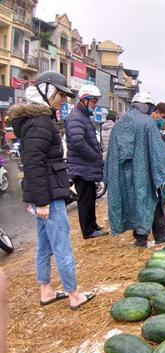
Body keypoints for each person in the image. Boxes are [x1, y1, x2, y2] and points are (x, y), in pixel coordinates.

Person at [9, 71, 95, 309]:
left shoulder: (38, 120)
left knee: (45, 244)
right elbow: (33, 165)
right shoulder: (40, 123)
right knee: (62, 244)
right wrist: (43, 201)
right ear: (46, 91)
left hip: (44, 192)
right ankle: (74, 294)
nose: (64, 100)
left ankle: (45, 290)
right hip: (49, 194)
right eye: (60, 94)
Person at [105, 91, 165, 248]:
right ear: (148, 106)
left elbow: (112, 153)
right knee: (152, 200)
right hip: (144, 172)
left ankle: (140, 238)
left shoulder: (119, 122)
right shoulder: (146, 123)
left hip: (124, 173)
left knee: (134, 202)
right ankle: (160, 234)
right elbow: (157, 150)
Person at [66, 84, 105, 240]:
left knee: (91, 198)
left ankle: (93, 225)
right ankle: (88, 231)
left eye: (96, 101)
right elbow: (78, 142)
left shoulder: (83, 117)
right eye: (93, 101)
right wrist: (95, 157)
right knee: (85, 200)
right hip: (81, 168)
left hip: (86, 167)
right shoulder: (76, 117)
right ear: (84, 100)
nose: (95, 105)